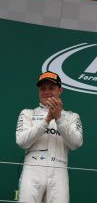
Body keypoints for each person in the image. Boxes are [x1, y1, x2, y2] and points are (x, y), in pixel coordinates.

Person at [16, 71, 83, 203]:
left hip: (59, 170)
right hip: (32, 169)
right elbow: (22, 142)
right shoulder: (27, 113)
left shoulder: (72, 116)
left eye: (51, 88)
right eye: (43, 88)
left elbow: (76, 144)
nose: (46, 92)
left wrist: (58, 118)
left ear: (60, 90)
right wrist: (46, 120)